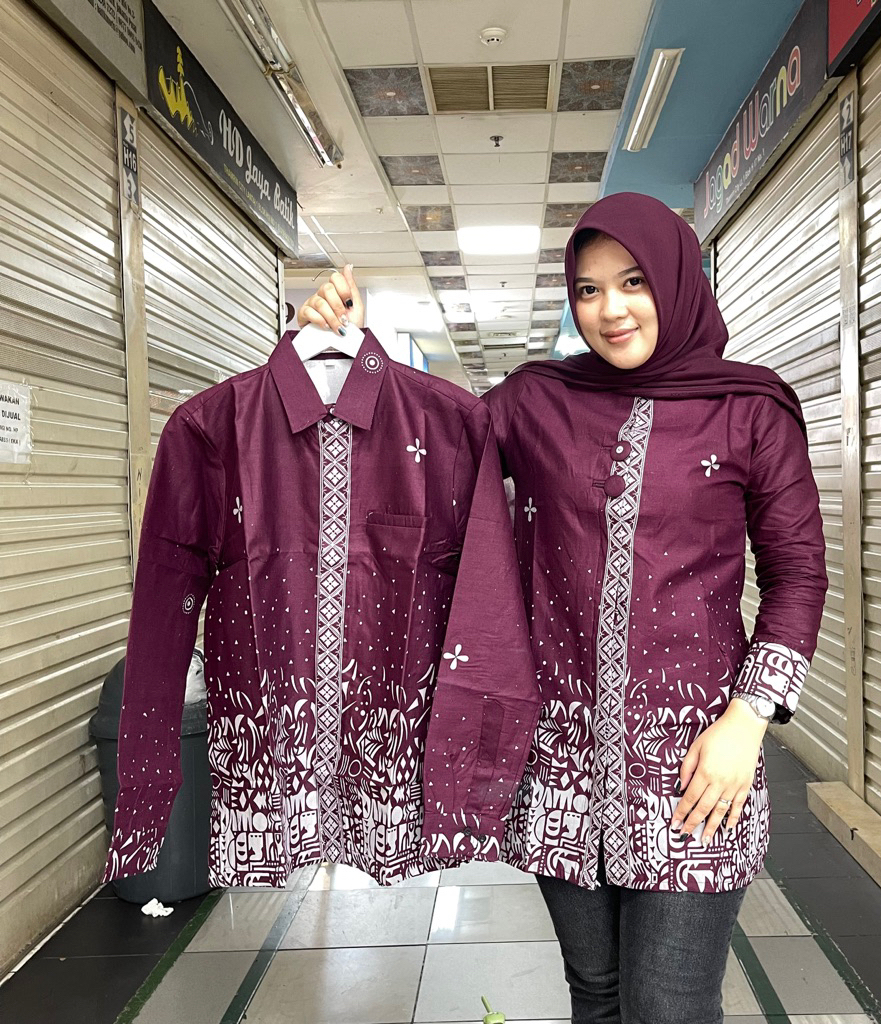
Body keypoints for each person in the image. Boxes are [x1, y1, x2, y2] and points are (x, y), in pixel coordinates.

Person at [298, 191, 827, 1024]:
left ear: (678, 279)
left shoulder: (750, 409)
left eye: (633, 282)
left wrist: (749, 720)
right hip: (560, 764)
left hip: (696, 763)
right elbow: (427, 448)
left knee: (670, 1005)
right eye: (588, 289)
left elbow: (798, 575)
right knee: (598, 995)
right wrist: (346, 353)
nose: (610, 310)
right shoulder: (536, 400)